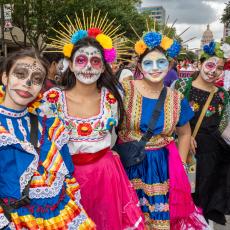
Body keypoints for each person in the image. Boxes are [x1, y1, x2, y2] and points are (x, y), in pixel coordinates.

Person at [37, 12, 145, 230]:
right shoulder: (52, 99)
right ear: (71, 64)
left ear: (104, 66)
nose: (88, 66)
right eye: (81, 60)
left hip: (106, 176)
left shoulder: (112, 98)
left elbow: (114, 135)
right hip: (65, 179)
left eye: (95, 60)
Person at [115, 29, 209, 229]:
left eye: (161, 62)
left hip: (162, 167)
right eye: (148, 63)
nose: (155, 68)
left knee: (160, 219)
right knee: (129, 217)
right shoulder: (125, 89)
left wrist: (181, 166)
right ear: (139, 66)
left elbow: (184, 133)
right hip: (128, 163)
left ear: (170, 65)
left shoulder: (176, 99)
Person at [0, 49, 95, 229]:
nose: (27, 83)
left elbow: (68, 174)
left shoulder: (50, 125)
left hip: (60, 218)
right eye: (20, 74)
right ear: (5, 77)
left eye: (36, 79)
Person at [175, 41, 230, 226]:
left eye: (220, 68)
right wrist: (185, 135)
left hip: (211, 160)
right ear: (199, 64)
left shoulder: (223, 94)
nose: (214, 71)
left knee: (205, 204)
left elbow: (223, 127)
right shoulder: (182, 85)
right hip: (183, 153)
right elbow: (170, 117)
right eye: (210, 65)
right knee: (182, 200)